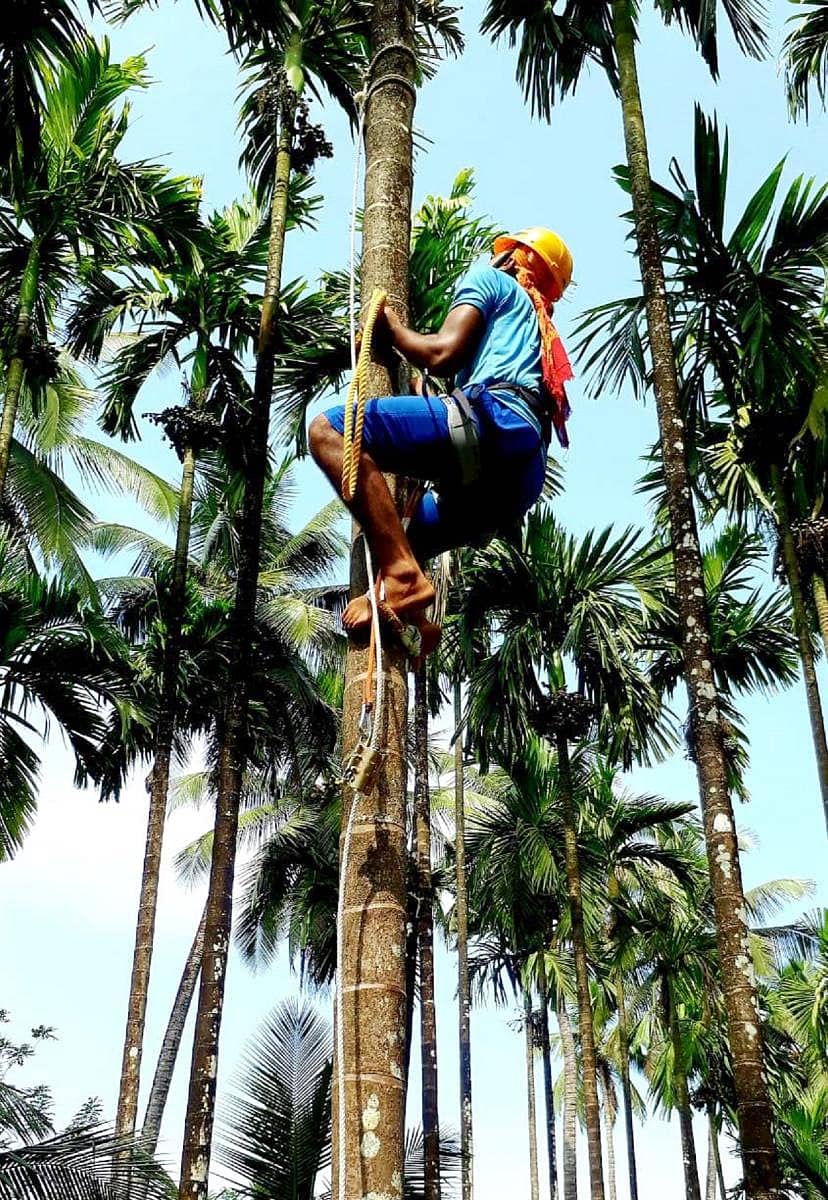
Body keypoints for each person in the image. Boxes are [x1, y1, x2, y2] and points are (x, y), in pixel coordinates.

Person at [308, 226, 574, 649]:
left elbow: (442, 353)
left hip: (492, 423)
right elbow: (455, 397)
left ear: (514, 259)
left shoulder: (493, 280)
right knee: (401, 535)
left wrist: (391, 330)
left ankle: (402, 578)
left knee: (328, 430)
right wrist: (413, 383)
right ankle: (413, 617)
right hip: (518, 478)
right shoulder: (534, 331)